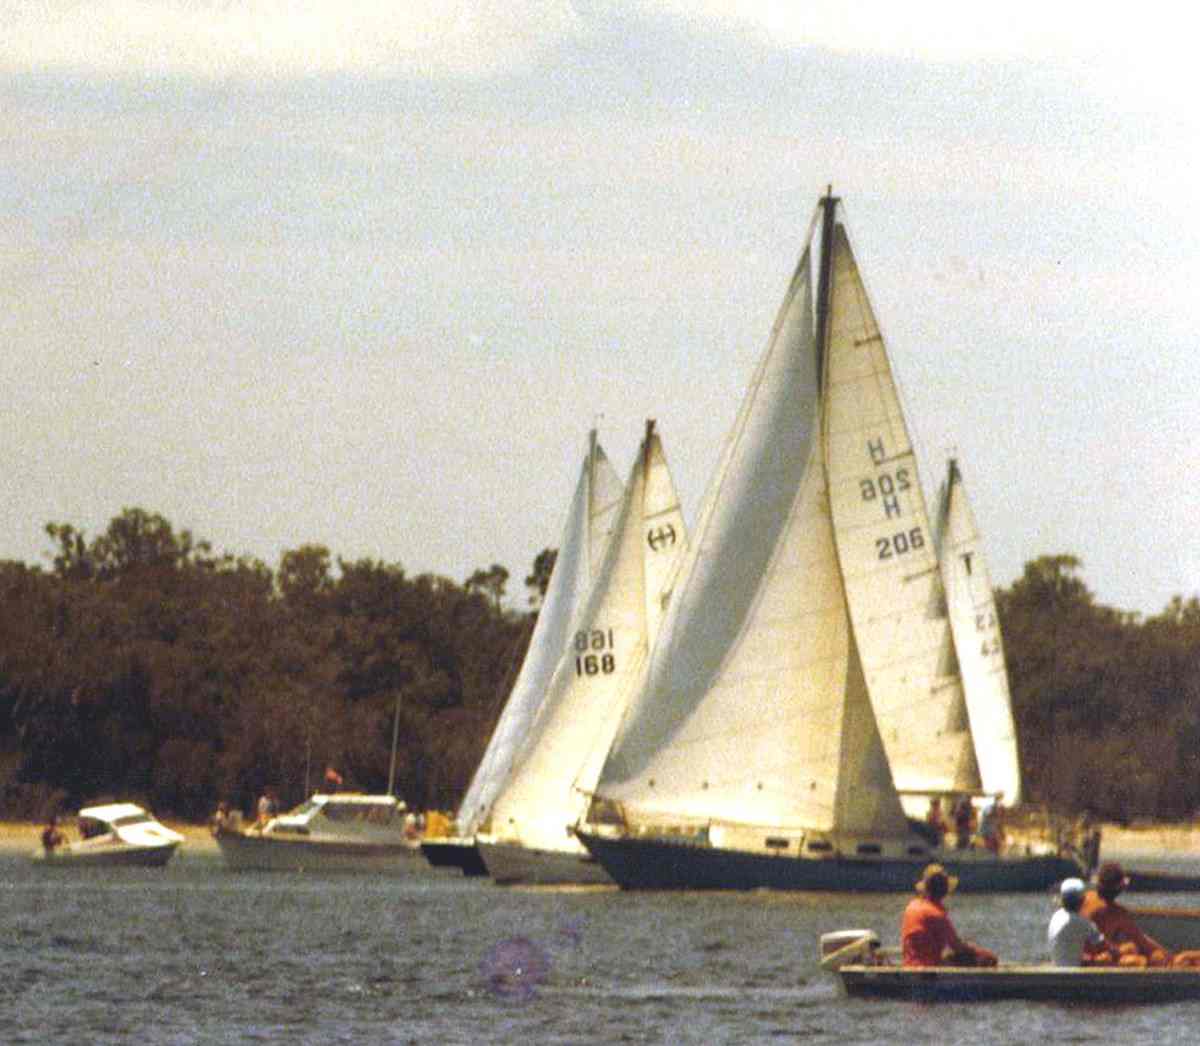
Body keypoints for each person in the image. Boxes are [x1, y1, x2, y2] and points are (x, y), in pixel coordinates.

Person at [900, 863, 998, 967]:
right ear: (944, 891)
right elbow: (957, 946)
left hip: (909, 964)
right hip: (927, 969)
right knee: (987, 959)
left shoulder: (911, 906)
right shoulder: (935, 914)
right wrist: (980, 952)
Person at [1081, 861, 1170, 966]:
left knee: (1129, 948)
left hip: (1079, 956)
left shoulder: (1084, 898)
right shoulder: (1116, 912)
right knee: (1137, 956)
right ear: (1120, 889)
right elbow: (1141, 941)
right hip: (1092, 961)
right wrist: (1169, 956)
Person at [1047, 877, 1104, 966]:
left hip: (1058, 968)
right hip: (1073, 975)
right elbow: (1102, 945)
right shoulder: (1081, 921)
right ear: (1082, 900)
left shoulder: (1056, 916)